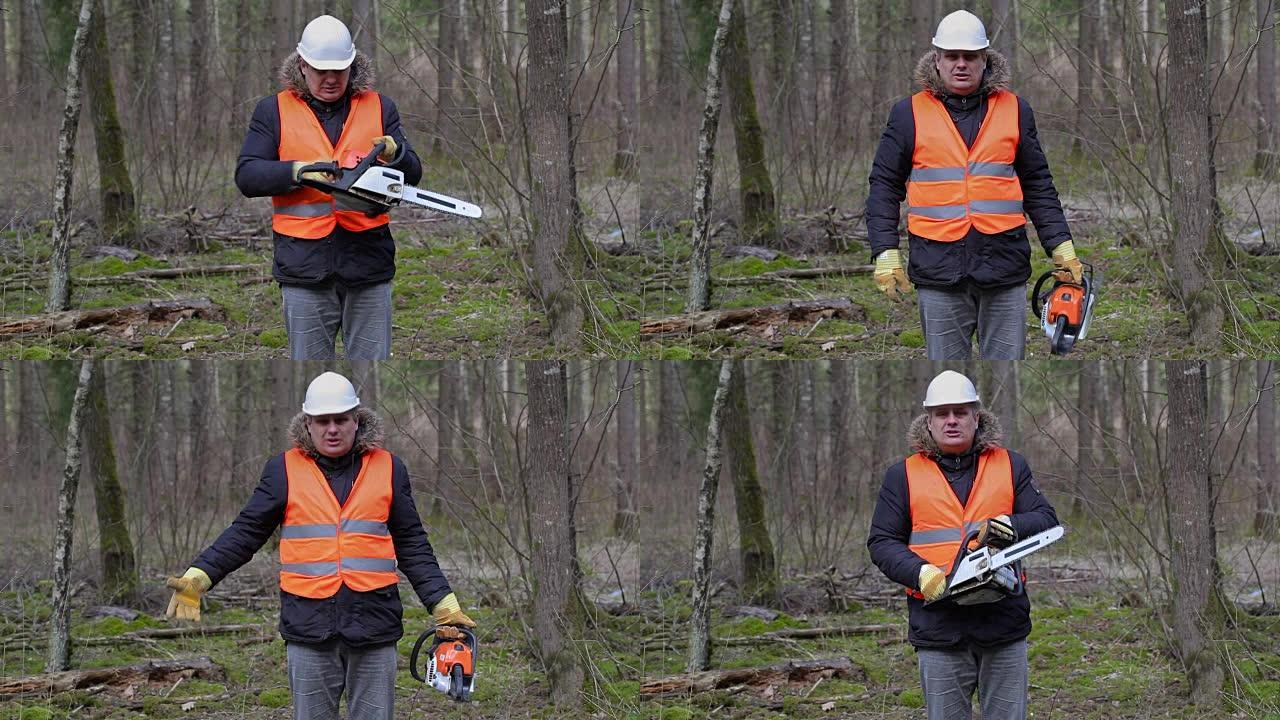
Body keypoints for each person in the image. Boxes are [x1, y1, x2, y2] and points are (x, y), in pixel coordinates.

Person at [164, 372, 473, 720]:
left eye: (341, 419)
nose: (332, 429)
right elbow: (246, 532)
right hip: (309, 629)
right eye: (322, 421)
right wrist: (199, 576)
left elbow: (412, 543)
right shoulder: (282, 470)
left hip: (374, 627)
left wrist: (444, 604)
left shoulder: (389, 468)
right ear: (307, 424)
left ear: (356, 420)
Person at [866, 10, 1083, 360]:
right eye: (952, 56)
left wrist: (1061, 244)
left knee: (1007, 365)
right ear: (936, 59)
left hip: (1004, 267)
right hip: (937, 270)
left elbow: (1038, 184)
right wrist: (884, 251)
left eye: (970, 57)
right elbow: (884, 186)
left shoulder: (1016, 110)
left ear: (986, 59)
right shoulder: (908, 113)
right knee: (945, 369)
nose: (961, 65)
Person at [867, 370, 1060, 720]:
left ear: (977, 416)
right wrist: (920, 572)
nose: (951, 421)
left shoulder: (1010, 464)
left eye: (960, 412)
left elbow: (1046, 519)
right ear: (929, 421)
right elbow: (882, 541)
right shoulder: (903, 475)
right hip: (938, 624)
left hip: (1003, 621)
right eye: (942, 414)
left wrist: (1010, 525)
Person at [236, 15, 423, 360]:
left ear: (352, 65)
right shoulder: (273, 110)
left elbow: (414, 175)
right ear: (303, 65)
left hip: (368, 262)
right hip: (304, 266)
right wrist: (299, 172)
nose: (331, 78)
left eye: (340, 69)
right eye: (322, 70)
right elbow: (247, 176)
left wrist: (397, 155)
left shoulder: (381, 107)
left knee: (371, 365)